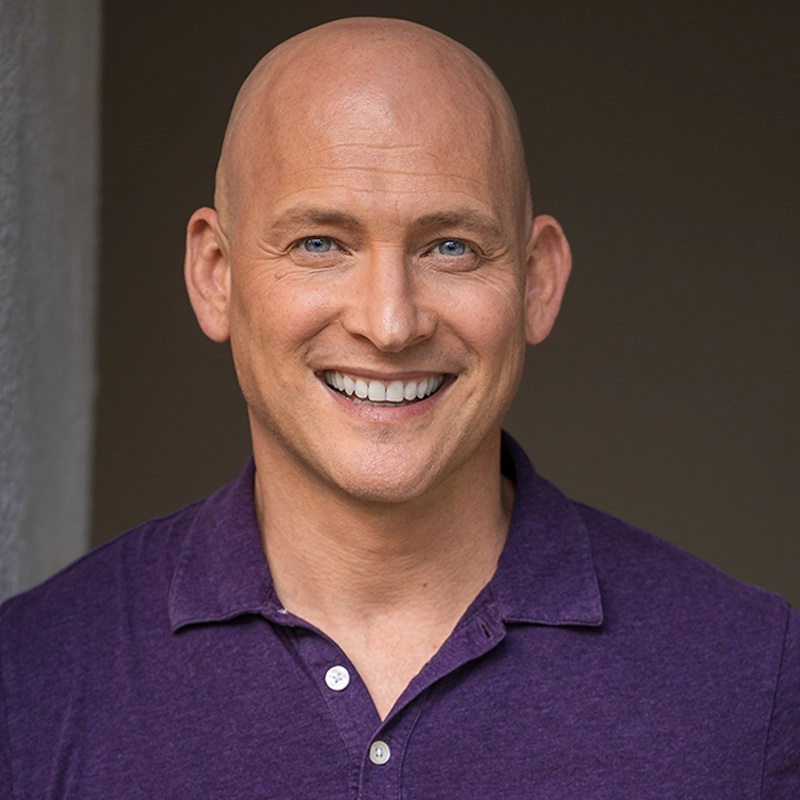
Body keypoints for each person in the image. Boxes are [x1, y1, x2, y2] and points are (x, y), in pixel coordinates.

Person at [0, 16, 797, 798]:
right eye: (321, 244)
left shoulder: (755, 683)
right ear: (216, 275)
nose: (389, 323)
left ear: (536, 282)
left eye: (450, 246)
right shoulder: (29, 679)